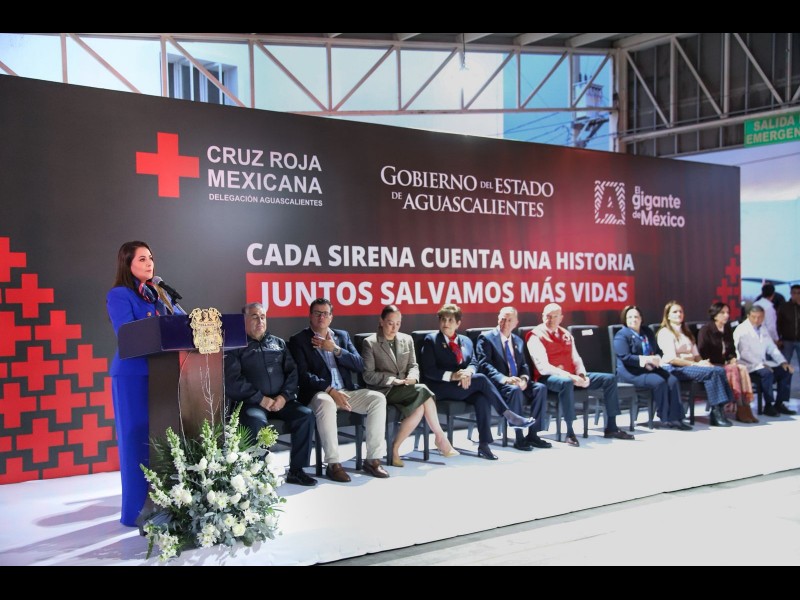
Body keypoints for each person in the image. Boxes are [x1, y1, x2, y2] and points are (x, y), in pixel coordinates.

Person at [106, 241, 184, 527]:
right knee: (136, 443)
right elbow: (127, 333)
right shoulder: (120, 294)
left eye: (151, 257)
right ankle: (136, 512)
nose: (149, 263)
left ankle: (165, 506)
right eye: (141, 259)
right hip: (133, 375)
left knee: (164, 443)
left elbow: (183, 324)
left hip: (164, 374)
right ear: (127, 263)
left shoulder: (159, 293)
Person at [288, 298, 389, 482]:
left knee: (378, 399)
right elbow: (303, 375)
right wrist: (330, 390)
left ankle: (372, 460)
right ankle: (333, 464)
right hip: (320, 393)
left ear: (331, 317)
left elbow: (360, 365)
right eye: (317, 313)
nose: (321, 317)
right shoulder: (298, 340)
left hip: (346, 391)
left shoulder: (341, 336)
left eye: (325, 313)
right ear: (310, 316)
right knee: (326, 402)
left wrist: (336, 349)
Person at [419, 303, 535, 461]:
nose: (446, 323)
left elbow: (474, 362)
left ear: (458, 323)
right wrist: (453, 376)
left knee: (482, 398)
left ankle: (484, 445)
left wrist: (468, 372)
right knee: (481, 379)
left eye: (450, 320)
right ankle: (509, 415)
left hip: (463, 386)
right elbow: (429, 371)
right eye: (443, 319)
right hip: (440, 387)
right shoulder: (431, 340)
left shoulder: (466, 341)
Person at [224, 303, 317, 486]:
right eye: (254, 317)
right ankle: (259, 475)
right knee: (256, 421)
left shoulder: (278, 343)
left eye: (263, 317)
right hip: (252, 403)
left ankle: (297, 471)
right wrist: (260, 398)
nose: (260, 321)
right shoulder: (236, 346)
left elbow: (292, 373)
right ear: (244, 320)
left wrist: (284, 397)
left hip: (281, 401)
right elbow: (233, 380)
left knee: (305, 415)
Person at [361, 305, 459, 467]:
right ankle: (440, 437)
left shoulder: (406, 339)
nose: (394, 328)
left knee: (419, 408)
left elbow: (413, 365)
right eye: (390, 323)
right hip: (385, 390)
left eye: (398, 323)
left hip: (405, 388)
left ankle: (394, 449)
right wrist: (392, 380)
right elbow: (368, 375)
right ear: (381, 321)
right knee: (424, 390)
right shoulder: (370, 343)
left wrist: (413, 377)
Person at [527, 303, 635, 444]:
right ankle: (570, 433)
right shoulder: (536, 336)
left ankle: (612, 427)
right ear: (542, 317)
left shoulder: (566, 334)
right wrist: (571, 376)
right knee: (566, 383)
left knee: (609, 379)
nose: (551, 320)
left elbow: (576, 359)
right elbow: (543, 367)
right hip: (548, 379)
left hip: (571, 375)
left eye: (555, 316)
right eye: (548, 316)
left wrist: (582, 375)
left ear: (561, 318)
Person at [476, 307, 551, 451]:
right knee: (515, 390)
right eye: (503, 319)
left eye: (509, 320)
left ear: (516, 323)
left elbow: (523, 365)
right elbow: (484, 365)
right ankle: (519, 437)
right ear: (498, 319)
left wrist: (524, 379)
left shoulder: (518, 340)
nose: (505, 323)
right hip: (498, 384)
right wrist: (504, 379)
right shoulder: (486, 338)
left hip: (516, 381)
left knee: (540, 388)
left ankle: (533, 434)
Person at [655, 301, 734, 427]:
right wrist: (695, 365)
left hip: (690, 366)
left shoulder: (686, 332)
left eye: (680, 311)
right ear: (668, 316)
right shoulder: (665, 332)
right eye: (675, 312)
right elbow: (672, 359)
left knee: (719, 370)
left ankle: (719, 409)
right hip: (674, 368)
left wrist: (702, 362)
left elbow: (696, 355)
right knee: (713, 372)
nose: (679, 314)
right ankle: (716, 413)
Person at [613, 305, 690, 430]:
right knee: (659, 382)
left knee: (673, 380)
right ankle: (665, 417)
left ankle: (677, 418)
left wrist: (657, 359)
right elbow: (625, 357)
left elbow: (658, 351)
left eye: (636, 317)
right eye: (630, 317)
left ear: (641, 318)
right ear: (625, 320)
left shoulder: (647, 332)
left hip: (651, 368)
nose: (633, 320)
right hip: (631, 372)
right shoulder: (621, 335)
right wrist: (646, 360)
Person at [697, 302, 758, 423]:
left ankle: (746, 406)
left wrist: (733, 359)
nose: (726, 315)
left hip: (724, 364)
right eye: (723, 313)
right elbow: (702, 351)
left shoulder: (727, 329)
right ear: (715, 315)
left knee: (742, 368)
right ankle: (739, 407)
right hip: (711, 364)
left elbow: (731, 351)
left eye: (727, 313)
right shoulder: (706, 330)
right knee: (733, 369)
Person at [733, 304, 795, 417]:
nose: (757, 320)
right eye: (754, 317)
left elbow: (772, 348)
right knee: (767, 373)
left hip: (762, 363)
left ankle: (779, 403)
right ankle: (768, 405)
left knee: (786, 371)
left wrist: (783, 362)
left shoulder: (763, 329)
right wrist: (760, 364)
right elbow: (744, 353)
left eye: (760, 317)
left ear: (764, 316)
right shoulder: (742, 329)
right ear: (748, 316)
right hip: (748, 365)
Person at [777, 284, 800, 369]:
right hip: (787, 340)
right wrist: (778, 338)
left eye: (798, 293)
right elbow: (778, 323)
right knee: (785, 364)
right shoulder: (784, 306)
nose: (796, 295)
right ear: (791, 293)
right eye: (794, 293)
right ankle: (785, 378)